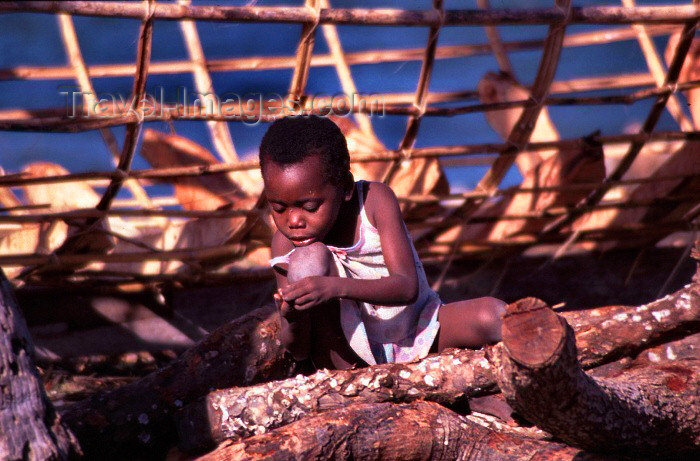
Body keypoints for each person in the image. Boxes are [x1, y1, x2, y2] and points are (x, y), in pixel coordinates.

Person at [261, 115, 506, 371]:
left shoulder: (374, 201)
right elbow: (298, 350)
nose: (294, 220)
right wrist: (293, 317)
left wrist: (333, 287)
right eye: (278, 208)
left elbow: (406, 287)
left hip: (419, 329)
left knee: (493, 315)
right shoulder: (285, 245)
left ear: (345, 187)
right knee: (307, 260)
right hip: (349, 361)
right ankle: (356, 388)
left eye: (310, 207)